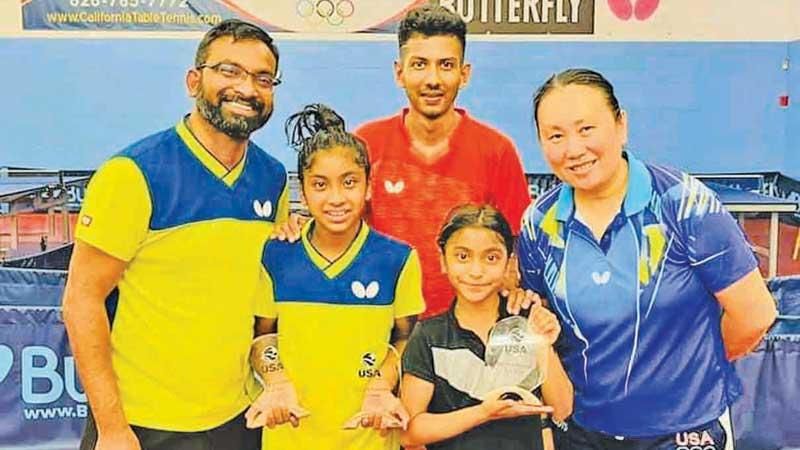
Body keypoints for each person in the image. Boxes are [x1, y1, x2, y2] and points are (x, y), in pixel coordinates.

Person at [515, 68, 778, 449]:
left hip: (683, 432)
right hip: (584, 433)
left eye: (586, 129)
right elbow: (544, 329)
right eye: (555, 136)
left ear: (621, 125)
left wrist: (689, 372)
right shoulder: (539, 224)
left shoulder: (683, 203)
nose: (573, 149)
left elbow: (755, 315)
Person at [61, 19, 288, 450]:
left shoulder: (272, 178)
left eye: (262, 78)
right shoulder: (132, 174)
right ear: (194, 80)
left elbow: (261, 291)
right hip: (143, 424)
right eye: (229, 71)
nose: (246, 88)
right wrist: (111, 428)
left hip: (237, 419)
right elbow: (81, 300)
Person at [277, 5, 531, 318]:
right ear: (400, 72)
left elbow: (517, 246)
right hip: (381, 321)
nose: (433, 79)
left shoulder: (497, 150)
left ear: (464, 74)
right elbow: (336, 220)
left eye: (446, 65)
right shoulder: (366, 143)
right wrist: (299, 225)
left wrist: (514, 281)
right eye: (420, 64)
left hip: (464, 331)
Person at [245, 104, 426, 450]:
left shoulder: (398, 259)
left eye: (349, 183)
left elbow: (407, 338)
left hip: (368, 439)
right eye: (320, 185)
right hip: (290, 439)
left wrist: (379, 387)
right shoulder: (277, 255)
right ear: (304, 190)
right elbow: (263, 337)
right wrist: (276, 381)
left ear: (369, 187)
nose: (336, 198)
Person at [400, 204, 573, 450]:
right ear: (443, 260)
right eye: (463, 256)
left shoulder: (528, 322)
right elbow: (410, 433)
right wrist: (484, 412)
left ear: (509, 262)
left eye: (491, 258)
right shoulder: (429, 336)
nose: (476, 271)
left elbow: (562, 409)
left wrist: (542, 343)